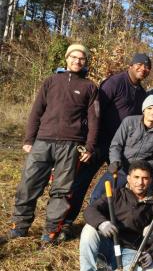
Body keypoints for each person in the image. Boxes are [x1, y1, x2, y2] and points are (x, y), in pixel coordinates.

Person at [5, 44, 99, 244]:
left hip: (71, 144)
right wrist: (29, 139)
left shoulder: (89, 86)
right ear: (67, 59)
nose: (77, 61)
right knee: (28, 184)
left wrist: (89, 146)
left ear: (85, 62)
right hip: (43, 141)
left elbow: (94, 120)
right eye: (73, 57)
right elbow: (36, 111)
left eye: (81, 58)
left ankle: (51, 231)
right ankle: (19, 226)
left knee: (61, 190)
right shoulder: (51, 81)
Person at [64, 52, 151, 237]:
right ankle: (66, 221)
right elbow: (95, 110)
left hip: (120, 148)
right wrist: (89, 140)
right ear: (131, 65)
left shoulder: (142, 93)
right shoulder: (115, 82)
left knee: (117, 183)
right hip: (99, 142)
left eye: (147, 67)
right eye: (140, 65)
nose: (143, 69)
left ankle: (104, 219)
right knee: (81, 182)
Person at [77, 160, 153, 271]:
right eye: (136, 177)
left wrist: (152, 253)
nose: (140, 182)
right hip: (108, 244)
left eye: (145, 178)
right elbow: (90, 210)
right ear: (128, 178)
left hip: (128, 252)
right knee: (89, 229)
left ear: (150, 180)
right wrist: (102, 223)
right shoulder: (115, 194)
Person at [88, 95, 153, 203]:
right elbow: (116, 144)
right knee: (98, 196)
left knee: (127, 203)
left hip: (140, 174)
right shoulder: (129, 122)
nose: (152, 112)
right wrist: (115, 161)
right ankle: (94, 219)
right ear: (144, 110)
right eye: (149, 108)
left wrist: (142, 167)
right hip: (120, 168)